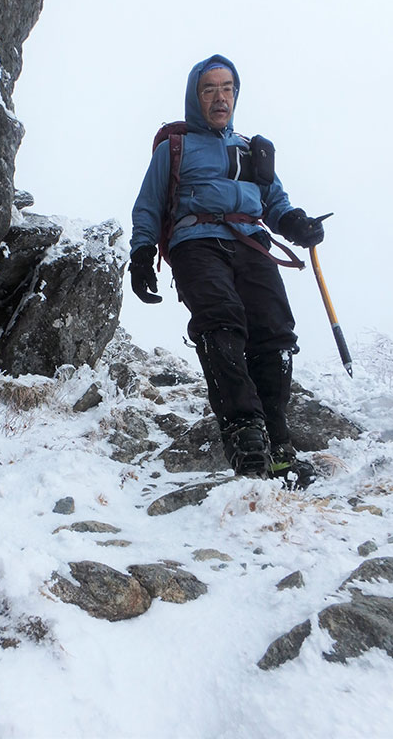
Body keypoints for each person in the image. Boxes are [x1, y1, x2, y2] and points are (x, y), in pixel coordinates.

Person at [129, 53, 325, 488]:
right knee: (221, 321)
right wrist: (141, 253)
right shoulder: (174, 148)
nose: (220, 97)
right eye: (209, 89)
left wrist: (294, 222)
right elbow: (148, 206)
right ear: (194, 96)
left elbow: (275, 201)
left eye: (227, 88)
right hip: (195, 242)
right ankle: (243, 432)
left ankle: (277, 444)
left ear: (236, 94)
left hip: (250, 242)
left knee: (274, 332)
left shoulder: (251, 151)